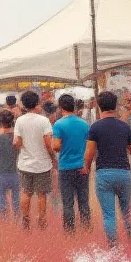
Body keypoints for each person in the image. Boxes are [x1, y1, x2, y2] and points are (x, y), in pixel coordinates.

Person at [82, 91, 131, 248]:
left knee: (109, 214)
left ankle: (113, 246)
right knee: (126, 211)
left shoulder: (95, 128)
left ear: (99, 107)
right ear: (115, 106)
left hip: (104, 174)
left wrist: (86, 167)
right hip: (123, 173)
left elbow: (90, 153)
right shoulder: (125, 127)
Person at [13, 90, 55, 230]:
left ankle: (26, 220)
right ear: (37, 103)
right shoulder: (44, 120)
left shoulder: (20, 120)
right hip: (42, 164)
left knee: (26, 192)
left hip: (25, 164)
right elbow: (48, 143)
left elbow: (17, 143)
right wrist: (53, 158)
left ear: (24, 105)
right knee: (41, 194)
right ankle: (41, 220)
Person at [52, 94, 92, 234]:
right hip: (82, 167)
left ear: (61, 107)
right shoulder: (84, 124)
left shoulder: (58, 124)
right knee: (84, 201)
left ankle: (70, 232)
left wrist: (58, 144)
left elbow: (56, 146)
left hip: (66, 168)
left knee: (68, 202)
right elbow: (89, 146)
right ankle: (86, 229)